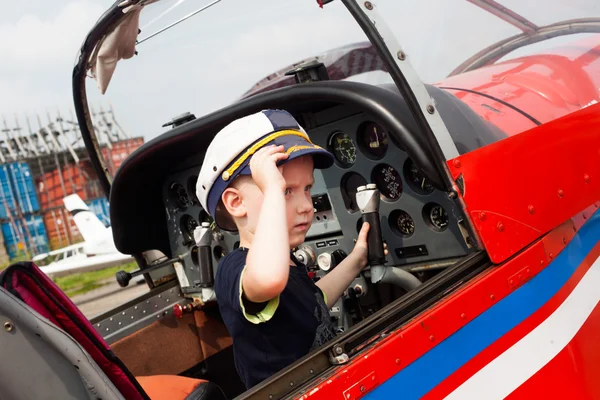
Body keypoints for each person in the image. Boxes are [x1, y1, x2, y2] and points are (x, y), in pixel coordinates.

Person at [196, 109, 386, 389]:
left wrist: (356, 262)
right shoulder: (235, 269)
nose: (307, 205)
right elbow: (269, 280)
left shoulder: (286, 262)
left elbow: (312, 303)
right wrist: (273, 186)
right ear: (236, 203)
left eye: (307, 188)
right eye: (286, 191)